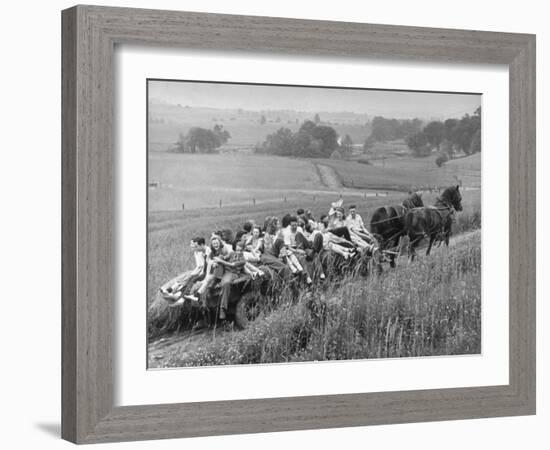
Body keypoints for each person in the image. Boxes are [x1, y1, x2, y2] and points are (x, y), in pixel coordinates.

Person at [162, 237, 209, 306]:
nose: (192, 246)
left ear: (201, 245)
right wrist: (194, 273)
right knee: (190, 276)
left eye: (195, 245)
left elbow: (203, 266)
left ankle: (179, 295)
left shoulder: (206, 251)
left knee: (192, 278)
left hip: (206, 272)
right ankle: (176, 293)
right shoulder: (198, 252)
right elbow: (200, 266)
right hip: (202, 271)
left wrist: (197, 274)